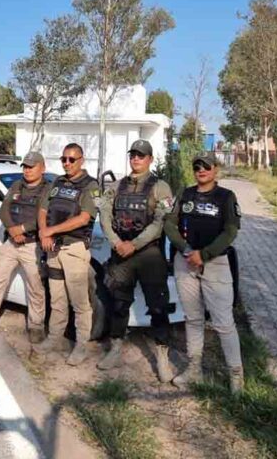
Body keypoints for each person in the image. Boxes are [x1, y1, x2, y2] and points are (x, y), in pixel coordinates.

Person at [164, 154, 244, 393]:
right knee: (193, 318)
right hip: (185, 262)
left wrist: (205, 254)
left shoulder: (226, 197)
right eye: (196, 166)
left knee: (223, 322)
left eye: (206, 166)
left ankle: (236, 375)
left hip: (215, 264)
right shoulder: (186, 194)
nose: (201, 170)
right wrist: (187, 250)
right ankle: (194, 367)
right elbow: (170, 223)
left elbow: (230, 231)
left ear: (216, 169)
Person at [97, 139, 175, 382]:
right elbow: (104, 215)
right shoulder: (117, 186)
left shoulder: (160, 187)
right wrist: (116, 242)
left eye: (141, 156)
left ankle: (162, 355)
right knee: (118, 303)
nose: (136, 159)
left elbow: (159, 222)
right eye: (133, 155)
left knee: (158, 305)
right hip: (120, 251)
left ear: (150, 159)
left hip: (148, 253)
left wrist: (134, 244)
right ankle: (116, 346)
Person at [35, 143, 99, 366]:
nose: (67, 163)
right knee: (58, 299)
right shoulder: (57, 182)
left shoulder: (91, 186)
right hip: (53, 250)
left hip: (74, 250)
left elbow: (84, 218)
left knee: (80, 303)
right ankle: (54, 338)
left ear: (82, 160)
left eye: (72, 159)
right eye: (64, 159)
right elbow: (43, 209)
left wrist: (50, 231)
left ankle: (81, 345)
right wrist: (44, 233)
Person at [0, 152, 49, 341]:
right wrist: (12, 229)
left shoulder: (47, 189)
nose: (27, 170)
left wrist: (22, 228)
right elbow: (4, 210)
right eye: (25, 166)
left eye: (31, 166)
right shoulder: (17, 185)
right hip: (12, 242)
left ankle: (36, 325)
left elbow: (44, 218)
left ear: (42, 168)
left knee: (35, 287)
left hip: (32, 245)